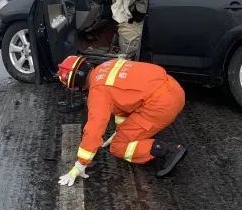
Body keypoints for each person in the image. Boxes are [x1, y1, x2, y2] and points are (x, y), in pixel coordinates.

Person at [57, 55, 187, 187]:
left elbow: (94, 130)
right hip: (175, 89)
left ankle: (168, 150)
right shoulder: (107, 66)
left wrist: (80, 164)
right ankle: (144, 137)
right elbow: (122, 104)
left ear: (76, 85)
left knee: (118, 146)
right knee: (123, 135)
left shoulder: (98, 92)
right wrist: (120, 130)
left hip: (161, 106)